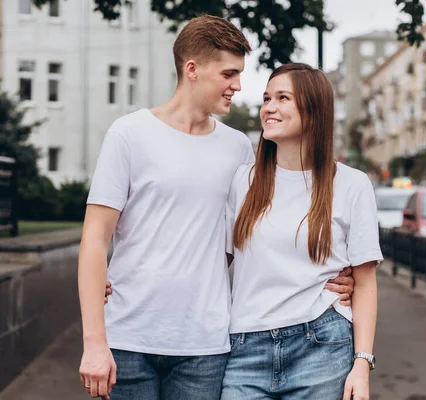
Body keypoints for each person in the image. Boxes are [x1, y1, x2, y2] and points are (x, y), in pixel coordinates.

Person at [78, 15, 353, 400]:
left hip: (205, 347)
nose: (237, 86)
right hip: (128, 337)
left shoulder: (238, 148)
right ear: (192, 69)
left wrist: (336, 276)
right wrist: (94, 342)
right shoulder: (129, 134)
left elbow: (261, 237)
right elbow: (94, 239)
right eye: (228, 74)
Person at [221, 63, 381, 400]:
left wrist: (362, 365)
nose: (269, 108)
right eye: (266, 98)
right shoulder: (244, 181)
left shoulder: (351, 184)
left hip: (321, 344)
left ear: (313, 110)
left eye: (282, 98)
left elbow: (365, 282)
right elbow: (214, 264)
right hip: (246, 347)